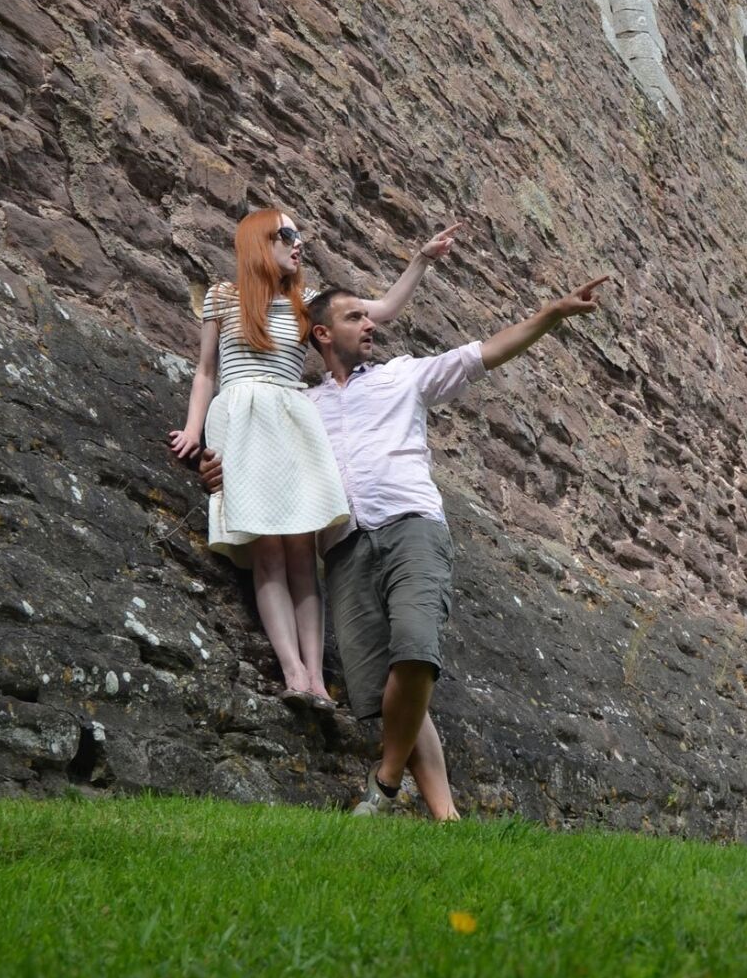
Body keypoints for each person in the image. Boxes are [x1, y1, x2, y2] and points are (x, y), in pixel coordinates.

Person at [202, 275, 608, 817]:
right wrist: (215, 469)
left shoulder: (404, 377)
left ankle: (387, 780)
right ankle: (447, 817)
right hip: (342, 549)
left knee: (416, 648)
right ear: (321, 334)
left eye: (369, 317)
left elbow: (484, 353)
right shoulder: (301, 406)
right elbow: (256, 451)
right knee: (382, 690)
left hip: (411, 526)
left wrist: (550, 314)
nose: (371, 324)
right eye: (355, 318)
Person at [170, 207, 461, 711]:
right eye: (286, 235)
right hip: (240, 417)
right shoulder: (222, 298)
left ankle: (319, 679)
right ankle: (294, 672)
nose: (297, 243)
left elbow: (384, 309)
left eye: (299, 235)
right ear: (260, 241)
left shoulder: (305, 303)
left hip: (292, 419)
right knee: (267, 553)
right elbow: (205, 372)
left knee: (304, 555)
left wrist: (420, 259)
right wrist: (193, 432)